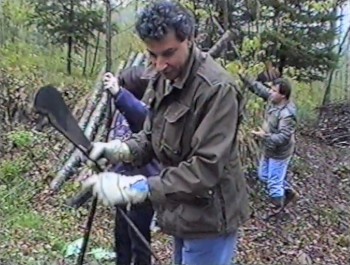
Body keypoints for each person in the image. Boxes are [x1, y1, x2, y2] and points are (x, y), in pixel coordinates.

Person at [80, 1, 250, 265]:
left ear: (190, 40)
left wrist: (137, 187)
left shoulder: (217, 90)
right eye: (152, 55)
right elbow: (151, 135)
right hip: (180, 211)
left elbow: (206, 168)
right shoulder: (165, 76)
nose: (159, 64)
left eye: (168, 53)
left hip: (210, 218)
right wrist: (119, 149)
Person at [103, 66, 160, 265]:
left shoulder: (149, 113)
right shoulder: (121, 112)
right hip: (121, 182)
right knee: (121, 236)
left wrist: (119, 94)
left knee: (139, 239)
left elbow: (139, 115)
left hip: (141, 185)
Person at [240, 73, 298, 211]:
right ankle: (288, 192)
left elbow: (283, 137)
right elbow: (260, 89)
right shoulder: (274, 100)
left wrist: (264, 136)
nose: (270, 92)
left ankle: (278, 207)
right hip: (268, 147)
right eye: (271, 90)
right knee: (263, 175)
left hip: (280, 152)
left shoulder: (287, 114)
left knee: (273, 182)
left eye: (274, 91)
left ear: (283, 95)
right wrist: (245, 77)